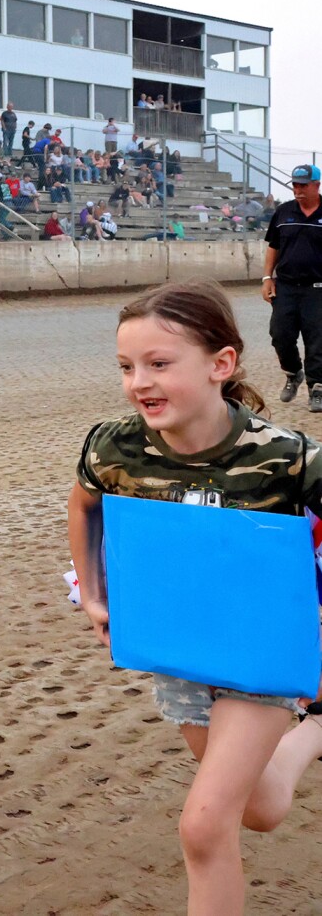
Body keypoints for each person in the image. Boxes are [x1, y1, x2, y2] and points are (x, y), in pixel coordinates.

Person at [69, 281, 322, 914]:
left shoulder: (289, 459)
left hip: (262, 656)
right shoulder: (112, 446)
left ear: (221, 364)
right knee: (258, 810)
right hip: (177, 651)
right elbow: (83, 506)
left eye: (159, 364)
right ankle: (315, 732)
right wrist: (94, 595)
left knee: (205, 826)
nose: (139, 383)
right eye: (127, 367)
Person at [262, 164, 322, 410]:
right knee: (280, 334)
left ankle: (317, 388)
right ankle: (293, 373)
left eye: (303, 185)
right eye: (295, 185)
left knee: (317, 339)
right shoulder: (283, 212)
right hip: (285, 286)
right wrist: (267, 278)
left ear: (316, 185)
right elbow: (273, 246)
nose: (297, 190)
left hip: (318, 288)